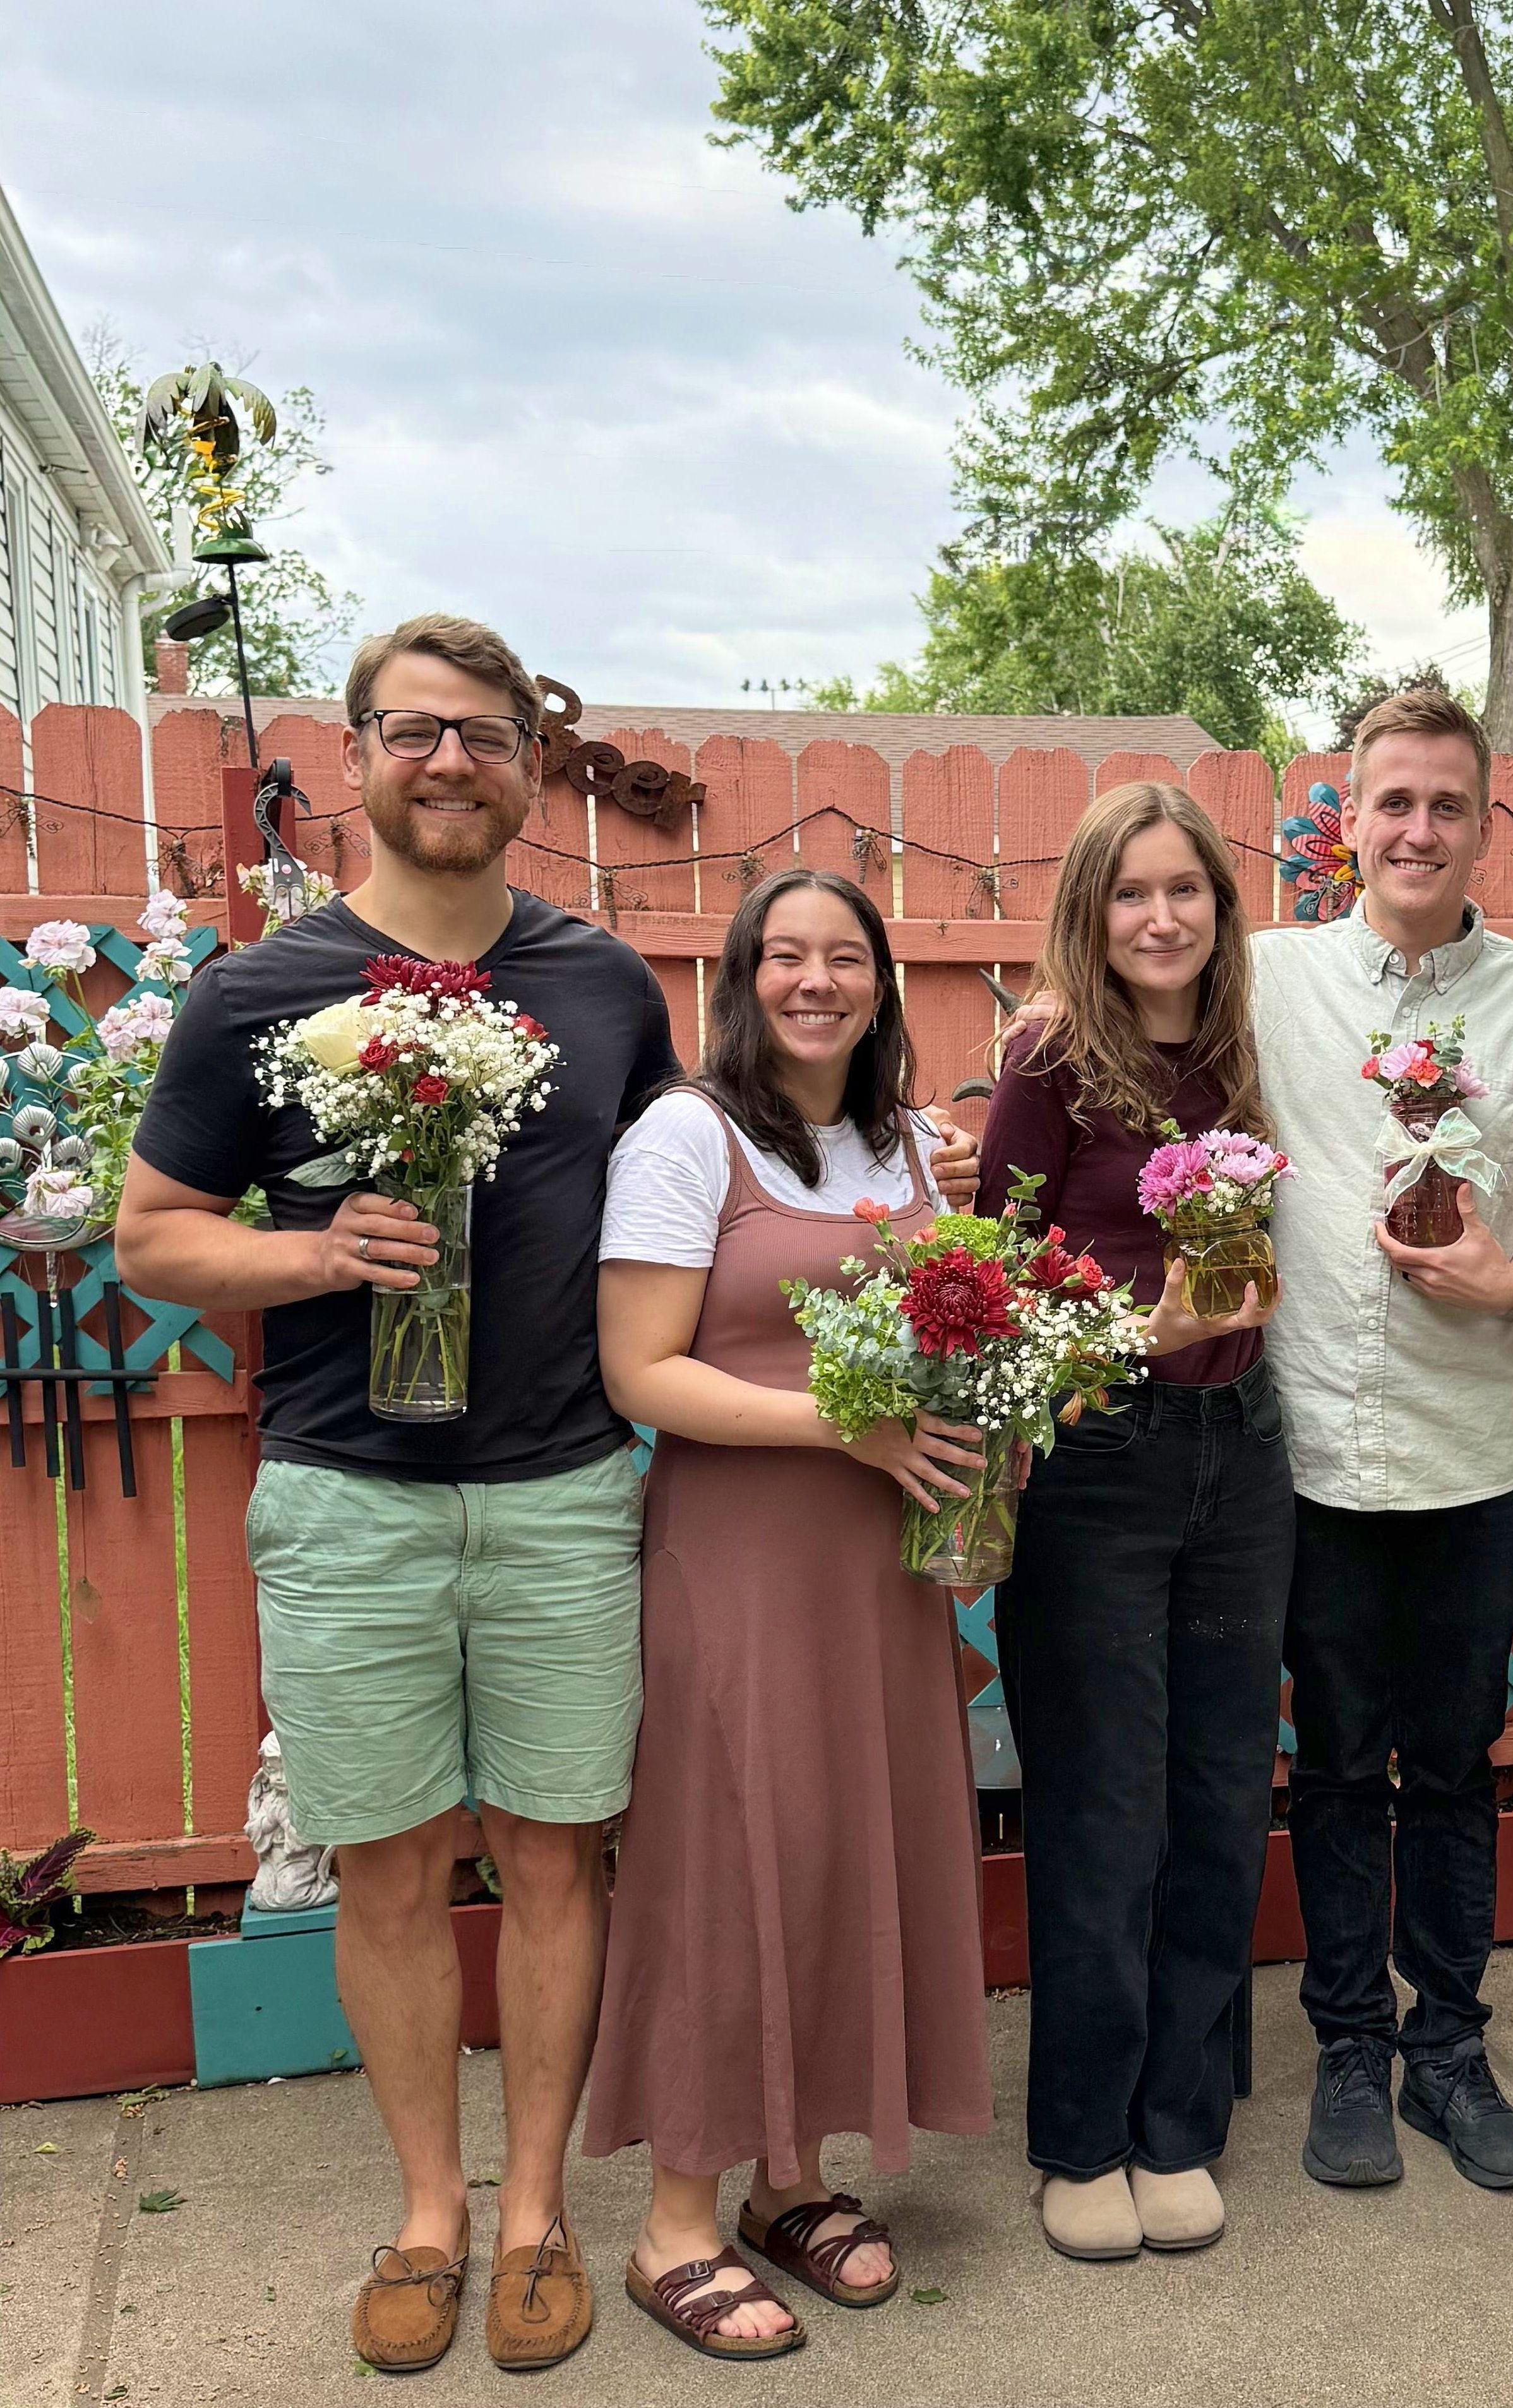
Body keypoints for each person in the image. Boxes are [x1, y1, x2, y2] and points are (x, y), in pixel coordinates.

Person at [115, 617, 976, 2376]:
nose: (452, 763)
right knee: (386, 1860)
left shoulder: (593, 986)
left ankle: (534, 2219)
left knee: (563, 1852)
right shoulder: (262, 989)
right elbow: (147, 1237)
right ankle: (429, 2213)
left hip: (567, 1489)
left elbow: (725, 1176)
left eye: (489, 736)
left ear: (528, 768)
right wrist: (311, 1248)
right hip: (350, 1489)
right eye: (417, 732)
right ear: (354, 755)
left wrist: (912, 1178)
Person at [587, 868, 994, 2359]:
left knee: (835, 1845)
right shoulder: (685, 1135)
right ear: (742, 975)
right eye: (784, 955)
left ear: (881, 984)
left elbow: (955, 1332)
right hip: (740, 1552)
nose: (814, 980)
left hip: (875, 1563)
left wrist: (971, 1477)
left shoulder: (894, 1146)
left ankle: (790, 2180)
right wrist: (847, 1423)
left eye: (845, 958)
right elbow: (644, 1370)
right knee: (723, 1852)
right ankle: (672, 2221)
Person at [1253, 686, 1513, 2193]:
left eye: (1444, 805)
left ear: (1484, 826)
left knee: (1455, 1759)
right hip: (1306, 1448)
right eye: (1389, 801)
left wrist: (1509, 1277)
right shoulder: (1262, 980)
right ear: (1347, 816)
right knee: (1334, 1760)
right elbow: (1107, 1015)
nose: (1415, 829)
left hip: (1470, 1443)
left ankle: (1447, 2048)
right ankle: (1347, 2037)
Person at [977, 783, 1292, 2264]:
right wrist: (1130, 1322)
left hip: (1245, 1453)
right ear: (1089, 911)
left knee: (1223, 1794)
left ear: (1220, 908)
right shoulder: (1051, 1060)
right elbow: (997, 1277)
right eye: (1129, 893)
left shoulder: (1248, 1050)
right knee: (1106, 1809)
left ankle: (1181, 2119)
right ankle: (1082, 2133)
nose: (1159, 917)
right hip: (1099, 1456)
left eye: (1186, 890)